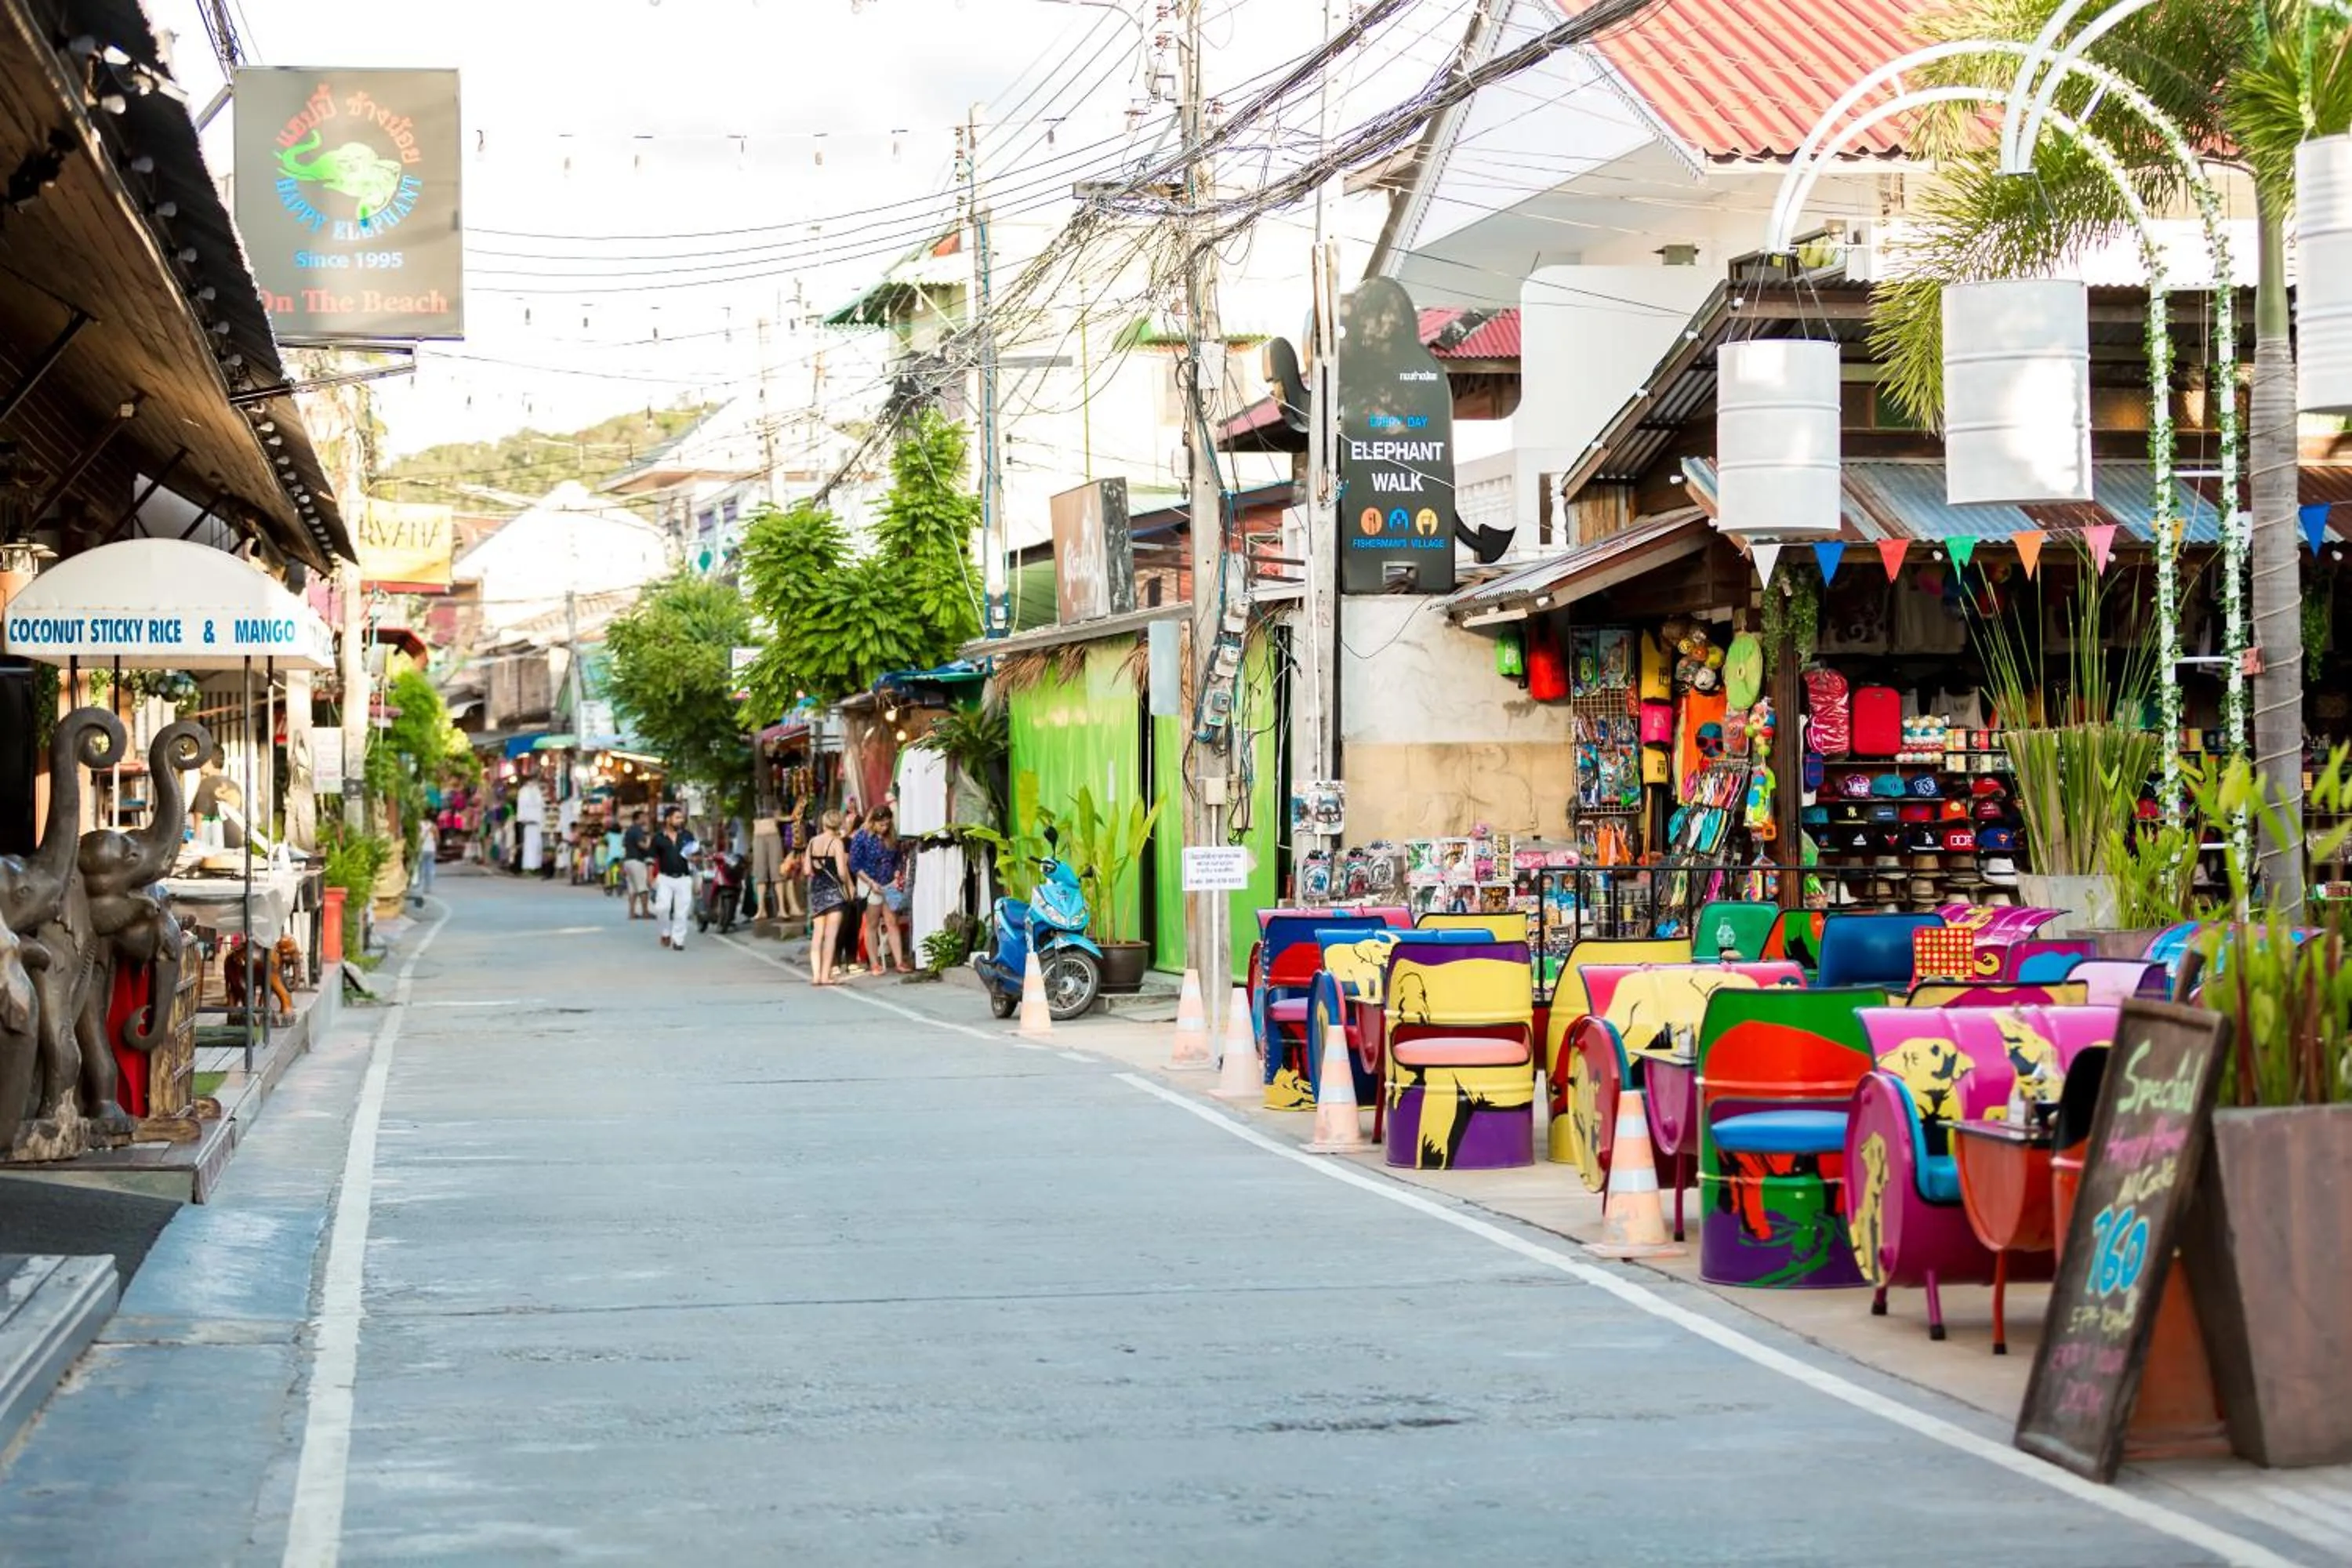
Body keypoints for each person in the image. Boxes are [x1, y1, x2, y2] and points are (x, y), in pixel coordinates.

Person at [849, 808, 912, 975]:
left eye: (887, 824)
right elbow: (855, 864)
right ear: (873, 822)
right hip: (871, 883)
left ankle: (899, 962)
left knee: (892, 922)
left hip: (889, 883)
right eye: (881, 825)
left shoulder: (891, 836)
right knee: (872, 923)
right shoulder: (862, 837)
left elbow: (898, 859)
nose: (884, 828)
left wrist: (898, 873)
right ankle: (874, 963)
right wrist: (870, 883)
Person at [805, 810, 855, 985]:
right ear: (839, 824)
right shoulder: (837, 843)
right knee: (831, 936)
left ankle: (816, 976)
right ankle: (826, 976)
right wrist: (849, 885)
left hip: (817, 891)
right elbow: (842, 872)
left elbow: (807, 871)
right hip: (834, 892)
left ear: (824, 823)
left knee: (817, 935)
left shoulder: (812, 842)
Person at [649, 808, 695, 950]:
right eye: (677, 817)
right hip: (665, 878)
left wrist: (696, 858)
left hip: (684, 878)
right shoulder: (658, 838)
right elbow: (651, 859)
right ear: (668, 819)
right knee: (662, 908)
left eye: (681, 818)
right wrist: (650, 876)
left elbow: (694, 856)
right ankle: (665, 932)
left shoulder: (688, 836)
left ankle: (679, 940)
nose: (680, 820)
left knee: (682, 911)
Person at [833, 805, 867, 975]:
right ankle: (836, 961)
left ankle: (851, 960)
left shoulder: (857, 841)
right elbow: (844, 865)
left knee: (854, 923)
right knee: (843, 924)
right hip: (847, 885)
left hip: (858, 884)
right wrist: (849, 885)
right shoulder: (844, 842)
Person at [621, 809, 653, 920]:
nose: (645, 819)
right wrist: (648, 841)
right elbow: (642, 845)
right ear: (638, 818)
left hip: (628, 861)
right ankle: (645, 912)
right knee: (643, 887)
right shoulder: (638, 830)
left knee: (632, 889)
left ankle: (632, 912)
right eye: (643, 817)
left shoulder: (629, 830)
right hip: (637, 861)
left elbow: (624, 845)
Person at [415, 817, 438, 896]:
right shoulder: (434, 827)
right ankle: (427, 887)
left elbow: (417, 837)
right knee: (429, 869)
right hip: (431, 850)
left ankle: (417, 882)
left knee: (420, 867)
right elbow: (437, 839)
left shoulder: (419, 825)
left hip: (422, 849)